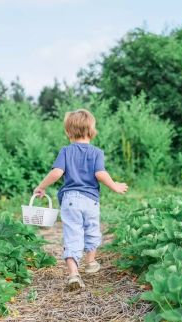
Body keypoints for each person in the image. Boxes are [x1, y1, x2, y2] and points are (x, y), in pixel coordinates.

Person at [33, 109, 128, 290]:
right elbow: (100, 173)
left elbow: (56, 173)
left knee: (72, 234)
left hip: (70, 200)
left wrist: (41, 186)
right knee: (92, 230)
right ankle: (91, 262)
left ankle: (73, 274)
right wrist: (114, 186)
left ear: (68, 132)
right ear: (92, 130)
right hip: (91, 200)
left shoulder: (66, 151)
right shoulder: (96, 152)